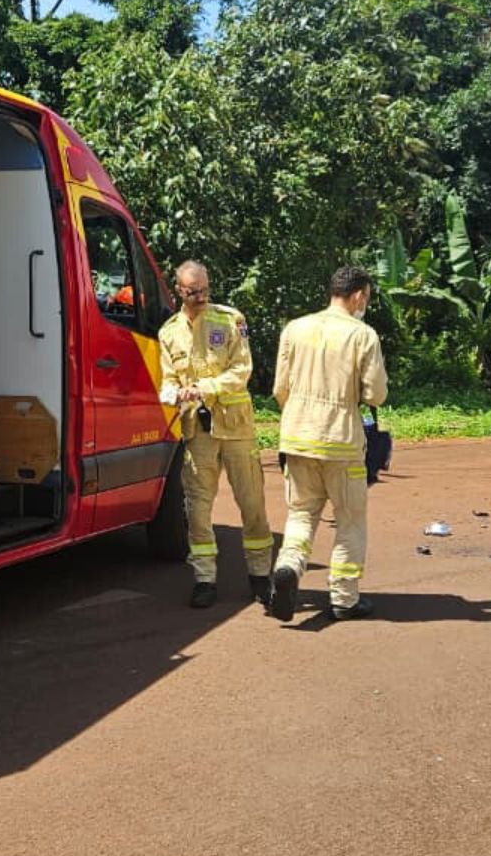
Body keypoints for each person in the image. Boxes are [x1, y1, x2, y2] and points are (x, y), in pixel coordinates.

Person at [268, 265, 388, 623]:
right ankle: (344, 599)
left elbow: (279, 389)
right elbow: (376, 394)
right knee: (350, 520)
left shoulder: (295, 328)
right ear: (358, 295)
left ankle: (289, 566)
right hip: (341, 443)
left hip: (296, 438)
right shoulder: (363, 335)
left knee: (302, 513)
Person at [158, 261, 275, 608]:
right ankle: (204, 578)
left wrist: (204, 387)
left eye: (205, 290)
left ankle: (259, 576)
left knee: (252, 502)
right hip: (198, 430)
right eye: (193, 292)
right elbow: (168, 378)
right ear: (179, 289)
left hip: (236, 427)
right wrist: (170, 393)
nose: (200, 298)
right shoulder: (169, 332)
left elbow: (242, 370)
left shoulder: (230, 319)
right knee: (197, 507)